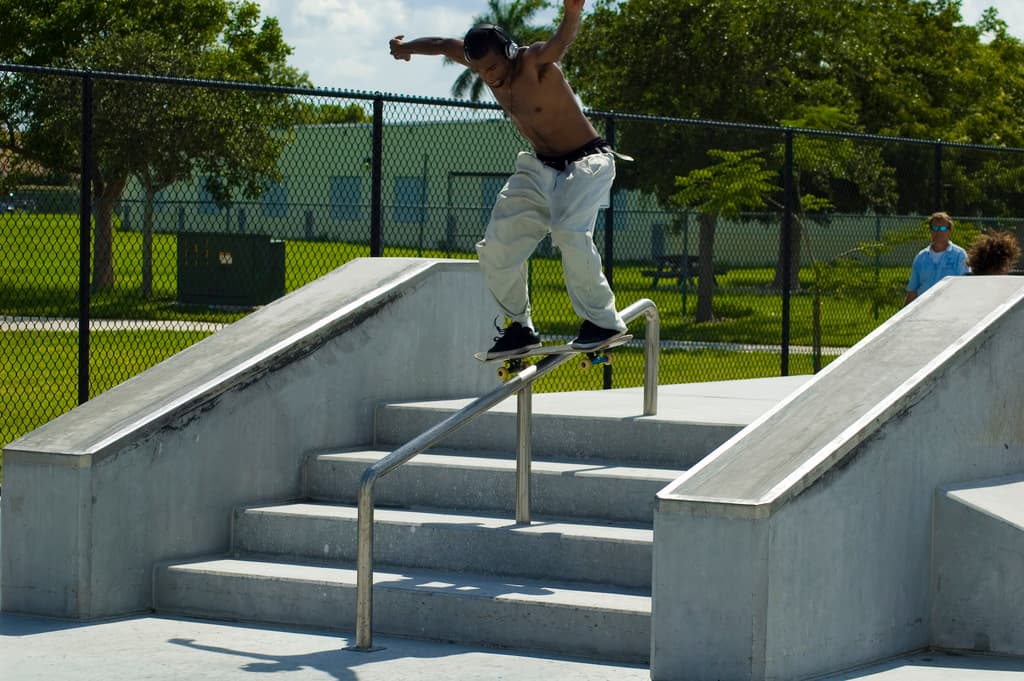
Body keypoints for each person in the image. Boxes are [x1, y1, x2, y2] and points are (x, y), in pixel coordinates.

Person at [389, 0, 628, 359]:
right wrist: (405, 48)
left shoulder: (532, 62)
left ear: (509, 54)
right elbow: (440, 44)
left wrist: (573, 12)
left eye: (493, 67)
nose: (488, 77)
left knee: (567, 230)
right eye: (479, 71)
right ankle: (520, 327)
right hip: (541, 167)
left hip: (587, 161)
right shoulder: (478, 61)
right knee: (496, 248)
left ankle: (602, 321)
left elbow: (558, 44)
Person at [904, 211, 970, 305]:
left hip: (949, 308)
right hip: (923, 308)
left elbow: (965, 286)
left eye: (943, 228)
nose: (938, 231)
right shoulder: (921, 257)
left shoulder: (959, 255)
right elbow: (912, 290)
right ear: (930, 230)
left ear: (949, 230)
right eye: (935, 228)